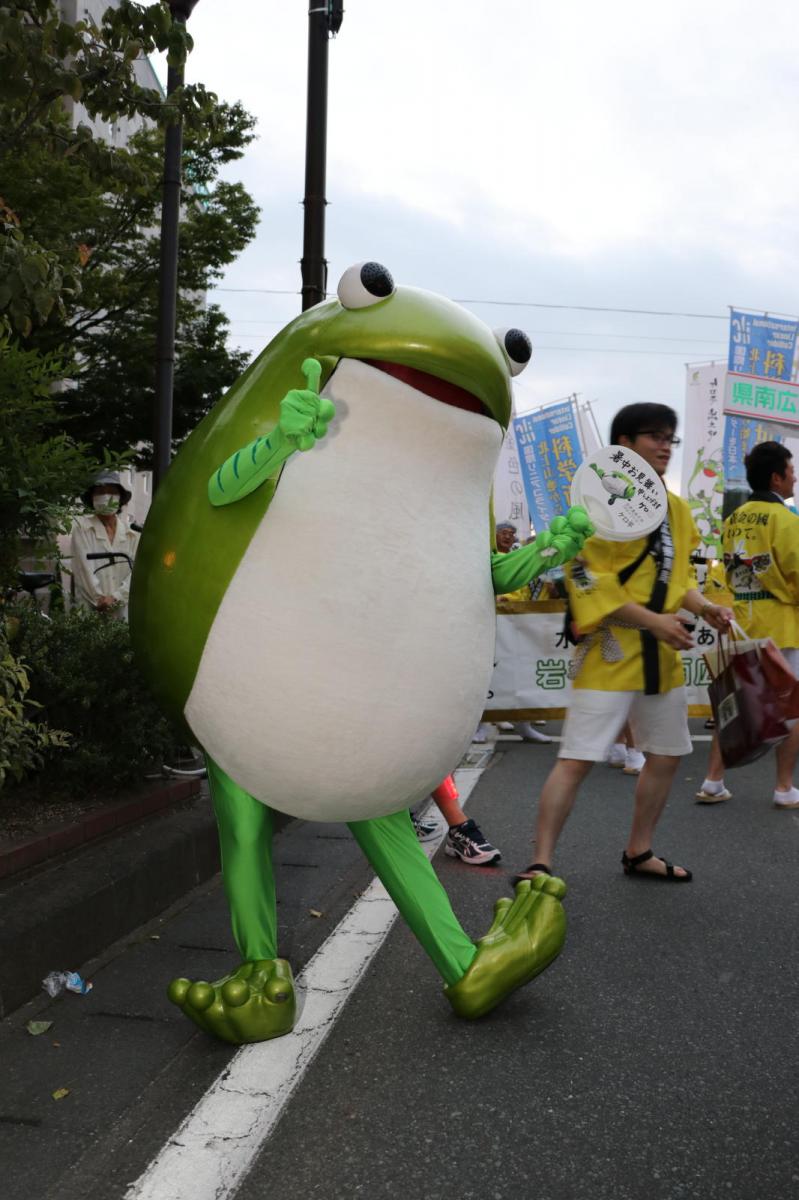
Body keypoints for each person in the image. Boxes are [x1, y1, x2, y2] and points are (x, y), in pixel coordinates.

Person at [513, 402, 732, 883]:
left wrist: (705, 608)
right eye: (654, 436)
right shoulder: (592, 506)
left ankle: (639, 851)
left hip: (660, 657)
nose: (665, 447)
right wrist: (654, 622)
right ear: (624, 445)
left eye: (670, 438)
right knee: (576, 759)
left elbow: (679, 580)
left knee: (668, 755)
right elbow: (587, 580)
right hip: (610, 654)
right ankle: (540, 862)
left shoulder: (676, 509)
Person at [698, 441, 799, 809]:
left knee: (734, 702)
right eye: (791, 471)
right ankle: (784, 787)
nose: (794, 478)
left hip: (740, 619)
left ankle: (713, 781)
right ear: (776, 477)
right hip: (780, 622)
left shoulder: (733, 519)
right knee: (792, 705)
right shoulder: (786, 520)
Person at [71, 470, 139, 619]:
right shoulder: (82, 530)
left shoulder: (132, 534)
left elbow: (136, 572)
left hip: (123, 611)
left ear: (120, 498)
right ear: (92, 497)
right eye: (101, 492)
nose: (107, 496)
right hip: (90, 610)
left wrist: (116, 597)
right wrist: (100, 599)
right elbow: (83, 570)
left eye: (112, 491)